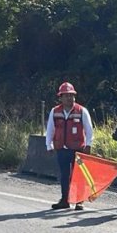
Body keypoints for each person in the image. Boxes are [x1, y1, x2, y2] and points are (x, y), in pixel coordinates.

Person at [45, 81, 94, 210]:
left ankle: (79, 201)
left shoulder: (82, 110)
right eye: (66, 95)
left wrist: (88, 145)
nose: (69, 98)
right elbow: (50, 129)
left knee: (78, 176)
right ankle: (65, 200)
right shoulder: (55, 111)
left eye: (71, 95)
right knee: (64, 176)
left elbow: (89, 130)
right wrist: (48, 145)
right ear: (60, 97)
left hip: (78, 149)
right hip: (62, 149)